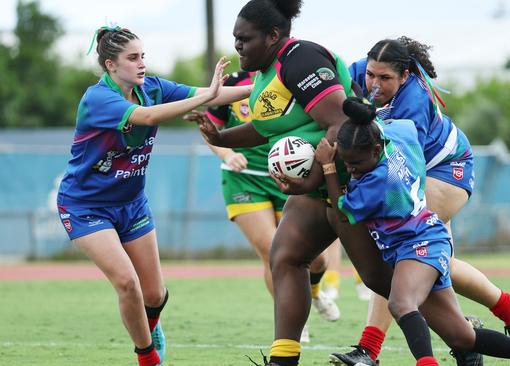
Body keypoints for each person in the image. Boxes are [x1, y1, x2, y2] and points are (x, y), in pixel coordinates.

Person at [193, 1, 402, 365]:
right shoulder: (265, 72)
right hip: (321, 186)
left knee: (381, 279)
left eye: (245, 38)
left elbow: (340, 124)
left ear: (273, 36)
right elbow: (264, 128)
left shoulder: (300, 59)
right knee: (286, 257)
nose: (238, 45)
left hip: (351, 183)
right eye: (235, 39)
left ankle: (464, 334)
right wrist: (222, 138)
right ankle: (283, 359)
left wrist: (312, 181)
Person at [315, 97, 510, 366]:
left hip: (418, 244)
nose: (350, 169)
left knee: (401, 303)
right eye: (346, 164)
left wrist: (328, 167)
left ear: (375, 150)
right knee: (461, 336)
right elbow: (404, 124)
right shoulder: (399, 135)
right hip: (426, 238)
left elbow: (341, 213)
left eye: (355, 164)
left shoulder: (380, 180)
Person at [331, 37, 510, 366]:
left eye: (385, 79)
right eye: (371, 75)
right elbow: (326, 82)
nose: (373, 83)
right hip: (414, 168)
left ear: (403, 76)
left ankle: (371, 349)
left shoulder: (414, 98)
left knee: (409, 254)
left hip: (444, 167)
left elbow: (399, 159)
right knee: (431, 262)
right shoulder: (361, 71)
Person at [56, 26, 249, 366]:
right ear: (110, 65)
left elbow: (213, 93)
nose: (141, 64)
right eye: (132, 58)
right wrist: (205, 97)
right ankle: (148, 358)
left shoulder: (154, 88)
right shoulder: (98, 98)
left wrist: (269, 88)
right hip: (86, 206)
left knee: (155, 294)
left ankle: (151, 325)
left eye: (142, 56)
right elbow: (146, 117)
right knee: (127, 283)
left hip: (131, 203)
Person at [183, 70, 341, 343]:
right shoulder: (234, 83)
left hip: (290, 179)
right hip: (244, 182)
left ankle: (314, 292)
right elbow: (211, 130)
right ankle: (292, 319)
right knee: (274, 251)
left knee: (317, 259)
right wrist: (227, 153)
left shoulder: (296, 77)